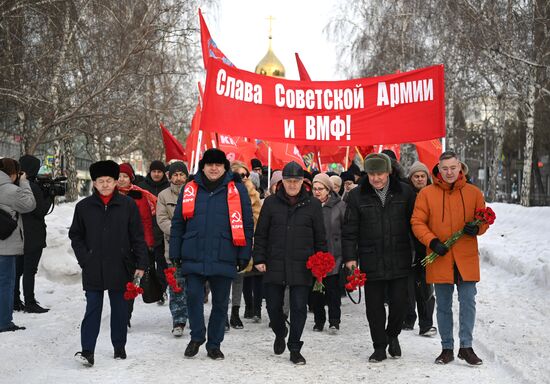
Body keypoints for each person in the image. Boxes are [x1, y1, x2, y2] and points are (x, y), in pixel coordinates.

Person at [170, 149, 253, 360]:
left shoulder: (237, 189)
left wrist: (244, 253)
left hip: (225, 252)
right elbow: (178, 222)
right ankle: (197, 336)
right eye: (209, 164)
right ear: (203, 167)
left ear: (225, 167)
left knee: (220, 303)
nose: (214, 168)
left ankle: (214, 345)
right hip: (194, 252)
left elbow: (246, 223)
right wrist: (175, 251)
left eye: (218, 164)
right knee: (194, 297)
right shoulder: (190, 188)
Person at [411, 151, 488, 366]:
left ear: (460, 168)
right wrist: (432, 241)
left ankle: (466, 346)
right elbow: (417, 221)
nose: (449, 172)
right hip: (440, 256)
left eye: (453, 168)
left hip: (466, 258)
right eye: (445, 168)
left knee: (468, 302)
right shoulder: (427, 193)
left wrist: (477, 228)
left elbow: (484, 219)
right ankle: (447, 348)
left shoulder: (473, 193)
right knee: (443, 304)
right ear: (438, 169)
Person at [69, 160, 148, 366]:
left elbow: (137, 236)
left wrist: (141, 263)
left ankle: (119, 346)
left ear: (116, 182)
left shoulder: (128, 205)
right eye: (100, 181)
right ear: (94, 183)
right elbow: (75, 235)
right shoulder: (83, 207)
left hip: (120, 264)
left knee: (120, 308)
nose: (105, 185)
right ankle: (88, 350)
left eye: (109, 181)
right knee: (93, 307)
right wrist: (85, 258)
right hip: (93, 265)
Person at [342, 153, 416, 363]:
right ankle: (379, 346)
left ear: (389, 172)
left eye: (380, 173)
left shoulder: (405, 193)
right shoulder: (357, 196)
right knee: (374, 308)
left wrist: (419, 252)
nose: (376, 178)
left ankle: (392, 335)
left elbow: (415, 224)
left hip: (400, 257)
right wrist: (350, 258)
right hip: (370, 258)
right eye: (372, 174)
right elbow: (349, 230)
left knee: (400, 305)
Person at [254, 161, 327, 365]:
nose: (292, 184)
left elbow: (320, 236)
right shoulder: (270, 203)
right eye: (288, 181)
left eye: (296, 181)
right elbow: (261, 234)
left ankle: (295, 347)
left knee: (298, 307)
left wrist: (321, 261)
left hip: (302, 264)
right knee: (273, 307)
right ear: (282, 182)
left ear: (303, 182)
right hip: (274, 262)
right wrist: (259, 258)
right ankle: (280, 331)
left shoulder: (312, 204)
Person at [117, 163, 157, 327]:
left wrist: (147, 243)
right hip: (113, 246)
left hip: (133, 246)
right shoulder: (108, 194)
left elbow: (146, 222)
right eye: (118, 176)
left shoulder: (139, 195)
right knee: (117, 283)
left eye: (125, 176)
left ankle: (125, 315)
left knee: (131, 282)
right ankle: (119, 312)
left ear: (130, 178)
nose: (121, 179)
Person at [0, 158, 36, 333]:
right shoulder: (9, 189)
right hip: (4, 245)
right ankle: (4, 322)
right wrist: (24, 183)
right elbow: (29, 204)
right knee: (5, 283)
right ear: (12, 173)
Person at [14, 155, 53, 313]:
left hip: (17, 234)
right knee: (30, 270)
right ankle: (30, 302)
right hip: (33, 235)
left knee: (17, 271)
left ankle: (15, 301)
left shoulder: (14, 184)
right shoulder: (32, 187)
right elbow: (40, 210)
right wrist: (50, 196)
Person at [402, 161, 437, 336]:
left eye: (423, 176)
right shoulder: (406, 195)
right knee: (408, 287)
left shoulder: (433, 194)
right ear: (411, 178)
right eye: (416, 176)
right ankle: (408, 318)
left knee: (425, 287)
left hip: (427, 247)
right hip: (407, 246)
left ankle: (426, 323)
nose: (420, 179)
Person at [227, 161, 262, 329]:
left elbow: (257, 219)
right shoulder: (224, 190)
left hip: (243, 239)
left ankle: (235, 312)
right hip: (225, 239)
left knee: (239, 277)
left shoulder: (252, 194)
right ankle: (222, 313)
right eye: (240, 175)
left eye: (246, 175)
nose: (244, 178)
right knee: (223, 279)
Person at [157, 161, 189, 337]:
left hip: (193, 249)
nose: (178, 178)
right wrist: (179, 232)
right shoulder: (163, 195)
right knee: (176, 286)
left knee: (193, 286)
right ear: (170, 176)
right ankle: (178, 320)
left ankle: (193, 314)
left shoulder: (194, 193)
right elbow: (162, 219)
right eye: (175, 174)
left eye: (181, 174)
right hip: (172, 248)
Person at [310, 173, 346, 333]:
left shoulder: (340, 206)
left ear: (328, 190)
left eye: (320, 189)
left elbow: (347, 230)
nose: (317, 192)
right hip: (314, 255)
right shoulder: (309, 205)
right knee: (316, 291)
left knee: (332, 290)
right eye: (314, 188)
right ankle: (319, 320)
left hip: (334, 254)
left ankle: (334, 320)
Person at [138, 160, 170, 304]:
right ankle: (152, 291)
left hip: (163, 234)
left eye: (159, 171)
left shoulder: (168, 188)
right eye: (154, 171)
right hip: (146, 233)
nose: (156, 174)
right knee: (149, 266)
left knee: (163, 266)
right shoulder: (141, 188)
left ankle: (162, 290)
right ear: (150, 172)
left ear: (163, 173)